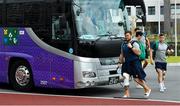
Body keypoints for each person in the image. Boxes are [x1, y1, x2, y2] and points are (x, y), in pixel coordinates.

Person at [119, 31, 151, 98]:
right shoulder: (123, 44)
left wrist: (131, 47)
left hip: (135, 63)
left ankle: (147, 89)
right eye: (125, 35)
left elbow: (139, 53)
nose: (126, 37)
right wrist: (120, 62)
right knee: (125, 76)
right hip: (127, 63)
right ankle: (127, 93)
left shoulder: (134, 43)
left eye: (127, 35)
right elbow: (122, 54)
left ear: (131, 35)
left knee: (137, 79)